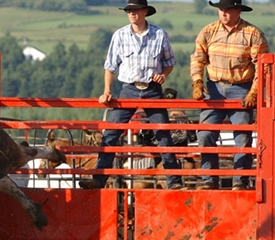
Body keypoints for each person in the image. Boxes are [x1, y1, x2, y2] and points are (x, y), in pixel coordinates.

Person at [79, 0, 184, 190]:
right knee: (111, 133)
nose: (132, 14)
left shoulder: (159, 34)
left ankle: (174, 182)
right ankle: (99, 179)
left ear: (145, 12)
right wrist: (107, 91)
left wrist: (163, 75)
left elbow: (169, 62)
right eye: (129, 11)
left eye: (135, 10)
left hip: (152, 90)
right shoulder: (119, 35)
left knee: (163, 135)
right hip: (128, 89)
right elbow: (110, 66)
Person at [190, 0, 269, 191]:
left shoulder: (253, 34)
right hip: (214, 87)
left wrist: (254, 92)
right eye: (221, 10)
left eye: (227, 10)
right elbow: (198, 58)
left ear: (237, 10)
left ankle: (239, 181)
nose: (223, 13)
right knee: (206, 133)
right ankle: (209, 179)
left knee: (242, 136)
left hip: (242, 88)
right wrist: (197, 82)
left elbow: (261, 67)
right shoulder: (208, 32)